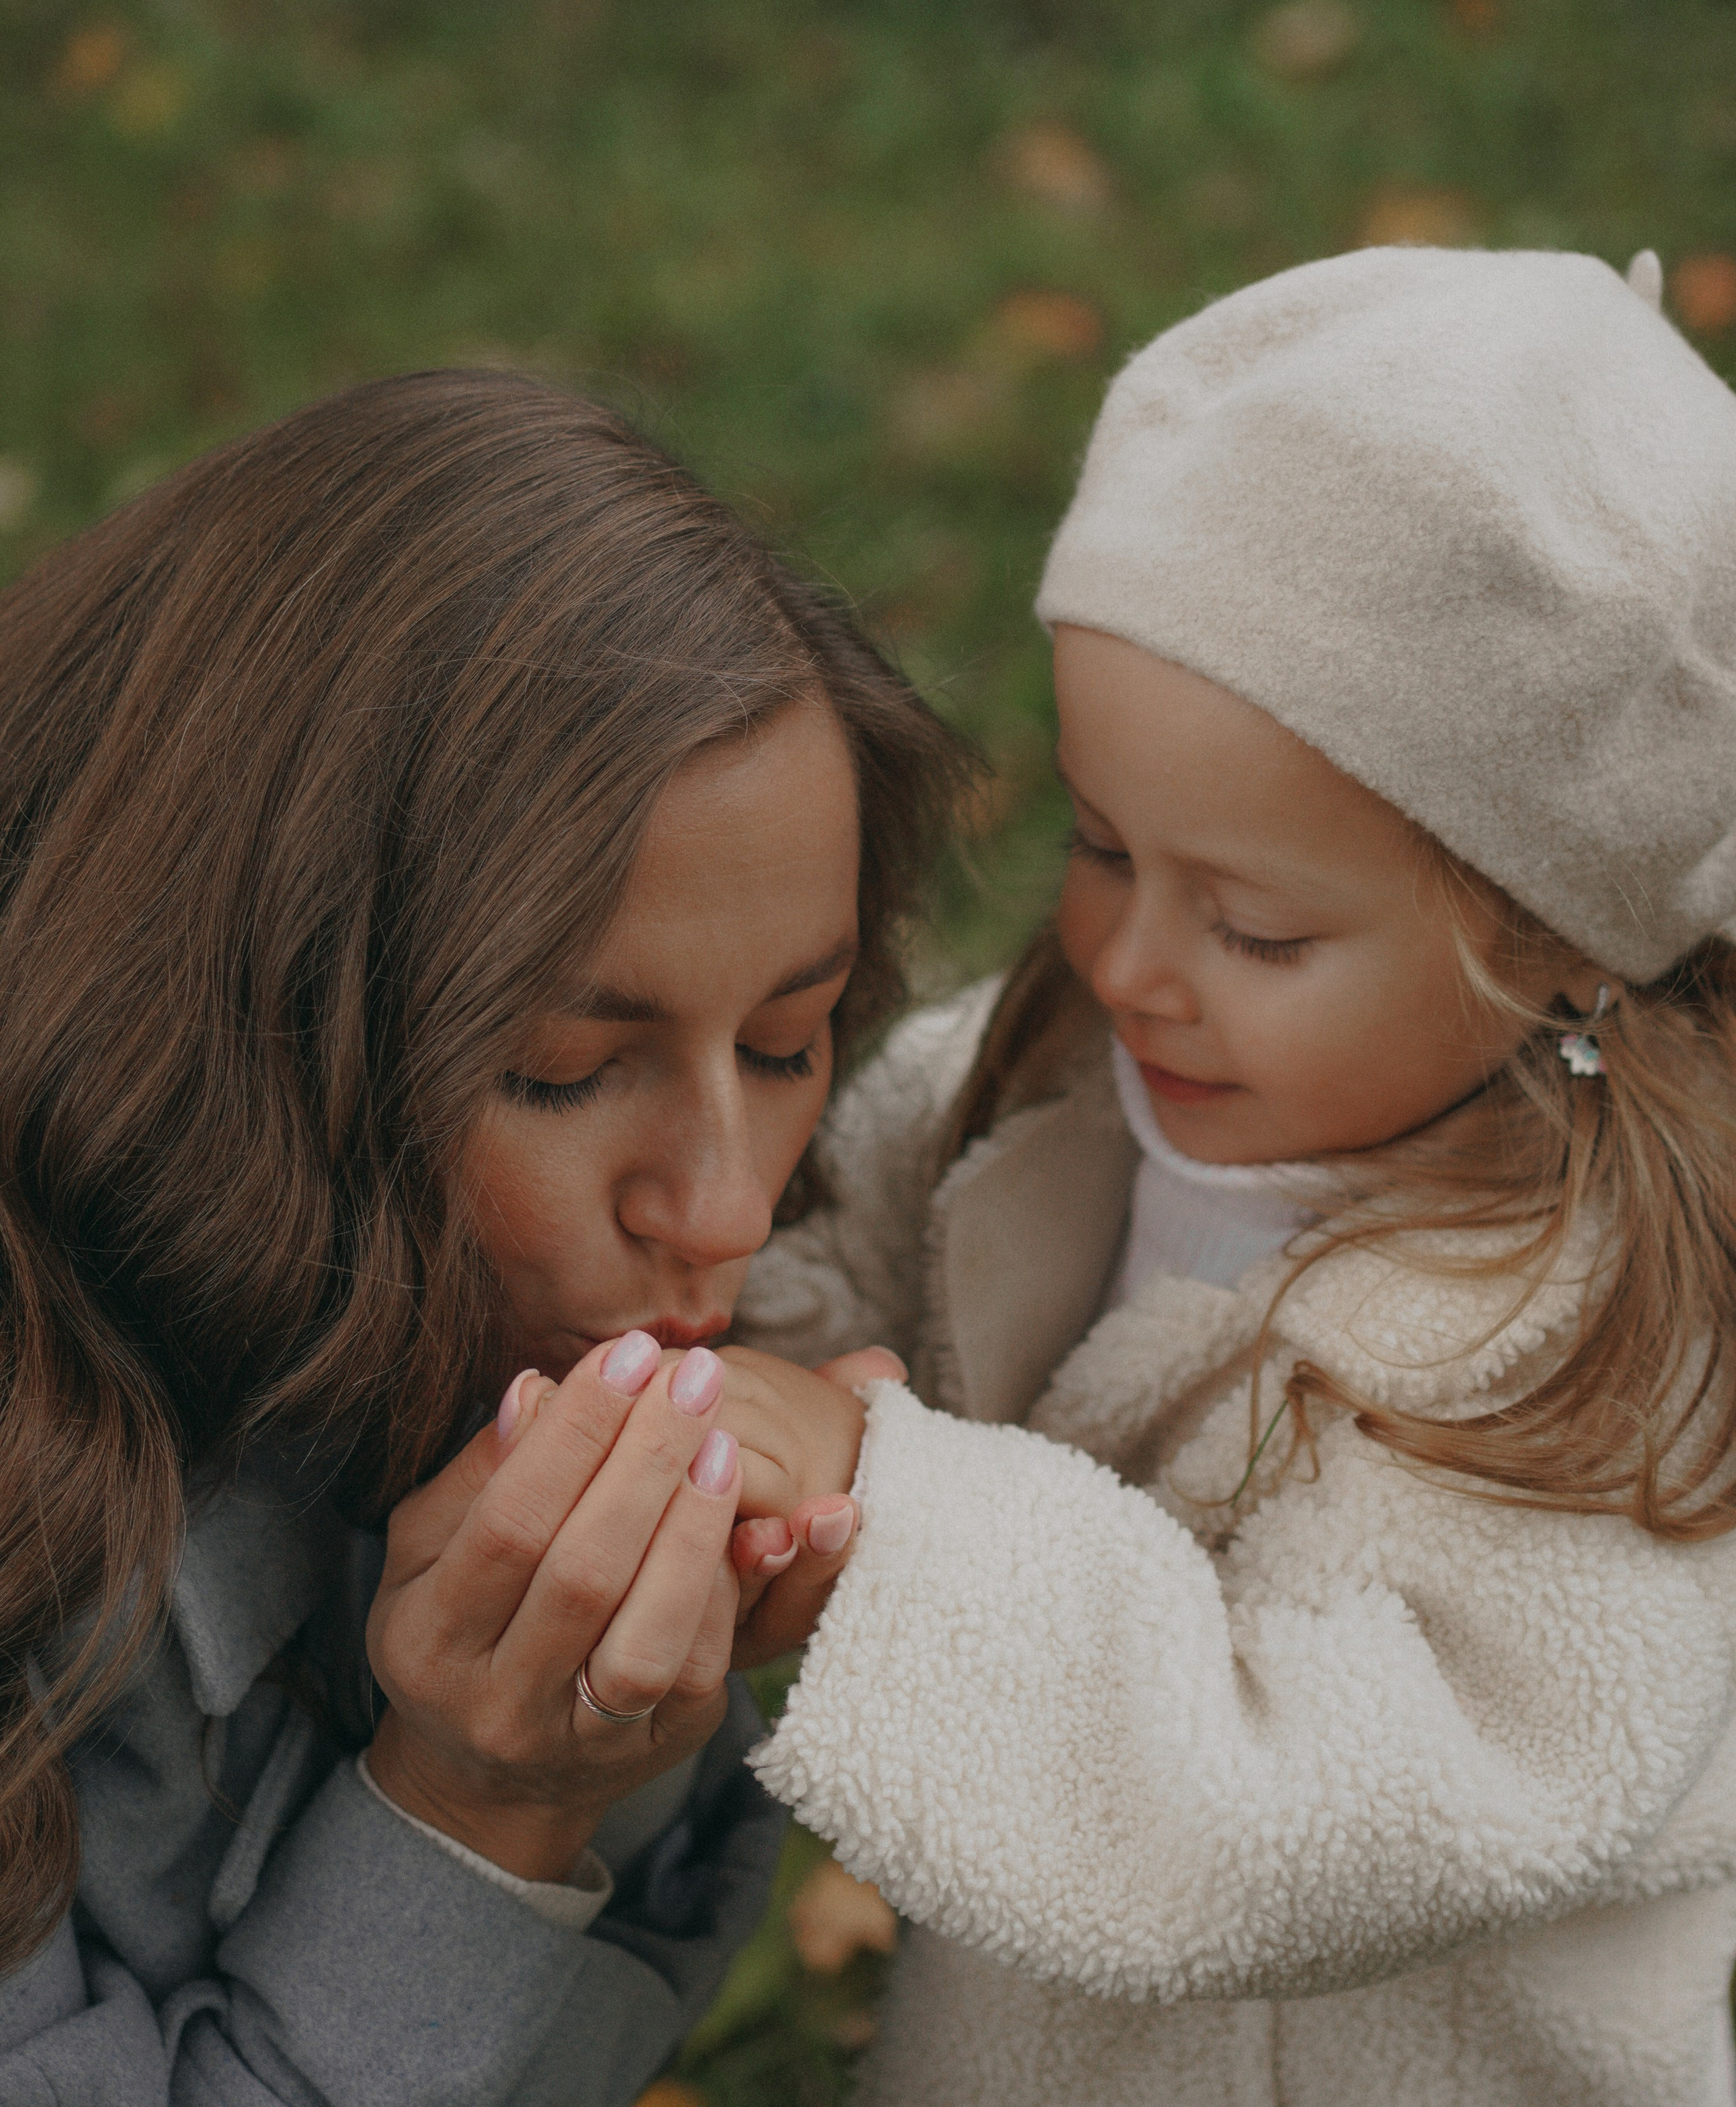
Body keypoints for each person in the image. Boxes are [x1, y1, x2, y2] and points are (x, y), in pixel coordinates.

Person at [726, 246, 1736, 2107]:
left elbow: (1318, 1809)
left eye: (1257, 928)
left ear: (1560, 940)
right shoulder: (1044, 1092)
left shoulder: (1592, 1361)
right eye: (1103, 844)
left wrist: (890, 1518)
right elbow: (832, 1276)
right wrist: (712, 1400)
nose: (1128, 964)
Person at [0, 369, 964, 2107]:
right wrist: (474, 1812)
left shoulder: (471, 1335)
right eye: (562, 1069)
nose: (729, 1209)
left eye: (785, 1040)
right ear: (232, 1031)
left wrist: (606, 1712)